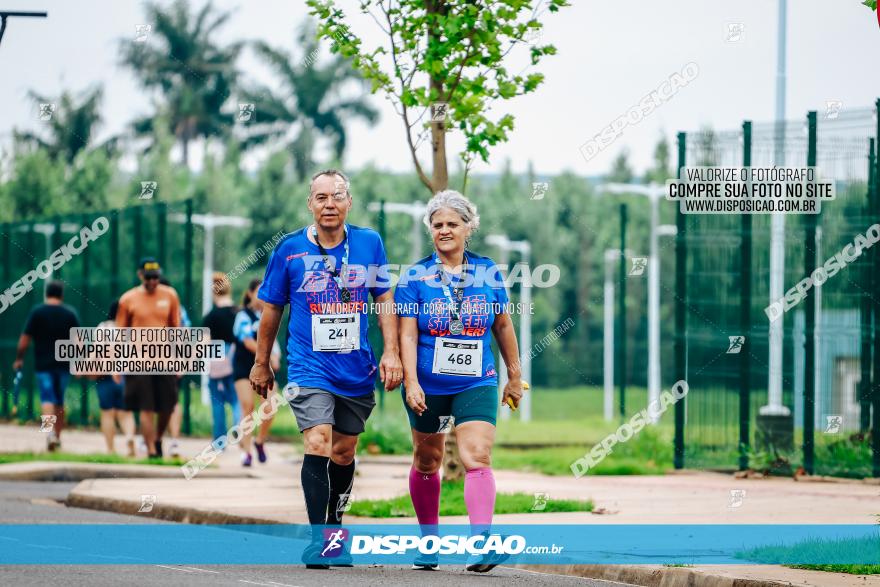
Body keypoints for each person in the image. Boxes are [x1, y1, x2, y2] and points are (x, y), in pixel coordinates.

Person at [250, 169, 402, 569]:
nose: (329, 204)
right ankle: (319, 539)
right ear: (310, 204)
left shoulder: (369, 243)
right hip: (308, 365)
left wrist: (392, 353)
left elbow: (384, 299)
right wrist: (261, 362)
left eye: (336, 196)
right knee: (318, 440)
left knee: (343, 450)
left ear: (349, 201)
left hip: (355, 366)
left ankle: (336, 530)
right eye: (321, 197)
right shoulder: (289, 249)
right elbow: (271, 311)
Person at [394, 190, 523, 573]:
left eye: (453, 223)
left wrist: (515, 377)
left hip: (476, 380)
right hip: (428, 384)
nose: (445, 230)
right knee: (428, 460)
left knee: (477, 457)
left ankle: (480, 545)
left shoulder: (487, 272)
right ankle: (429, 542)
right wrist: (412, 382)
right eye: (438, 225)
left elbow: (502, 324)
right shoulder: (415, 276)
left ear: (469, 227)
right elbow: (408, 335)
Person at [116, 257, 180, 459]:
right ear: (140, 275)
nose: (153, 281)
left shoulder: (169, 295)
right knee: (146, 406)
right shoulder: (128, 299)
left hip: (165, 360)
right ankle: (152, 451)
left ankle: (158, 438)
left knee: (168, 405)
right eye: (149, 277)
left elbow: (176, 330)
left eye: (156, 277)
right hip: (139, 362)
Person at [13, 280, 80, 452]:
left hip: (43, 365)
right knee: (59, 400)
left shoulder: (37, 312)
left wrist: (19, 358)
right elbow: (78, 341)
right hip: (64, 365)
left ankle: (49, 434)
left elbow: (25, 339)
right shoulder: (70, 313)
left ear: (47, 293)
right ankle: (58, 437)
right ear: (61, 295)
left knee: (47, 398)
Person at [232, 277, 281, 466]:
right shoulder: (243, 315)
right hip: (244, 367)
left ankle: (259, 441)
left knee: (270, 405)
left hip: (266, 369)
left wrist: (274, 358)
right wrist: (266, 357)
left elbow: (273, 342)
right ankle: (246, 452)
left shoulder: (269, 315)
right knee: (247, 408)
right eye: (259, 292)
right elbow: (247, 340)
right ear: (250, 293)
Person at [201, 272, 242, 444]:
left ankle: (219, 442)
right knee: (236, 399)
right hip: (236, 357)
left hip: (216, 357)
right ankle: (240, 436)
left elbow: (205, 341)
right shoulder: (239, 312)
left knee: (217, 401)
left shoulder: (211, 316)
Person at [95, 300, 136, 456]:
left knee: (107, 413)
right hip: (127, 376)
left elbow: (97, 352)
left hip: (106, 376)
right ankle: (129, 437)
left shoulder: (103, 327)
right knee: (126, 413)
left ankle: (111, 449)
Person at [159, 276, 189, 458]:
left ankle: (171, 440)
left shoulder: (177, 311)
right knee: (167, 401)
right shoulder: (179, 309)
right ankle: (163, 439)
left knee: (171, 401)